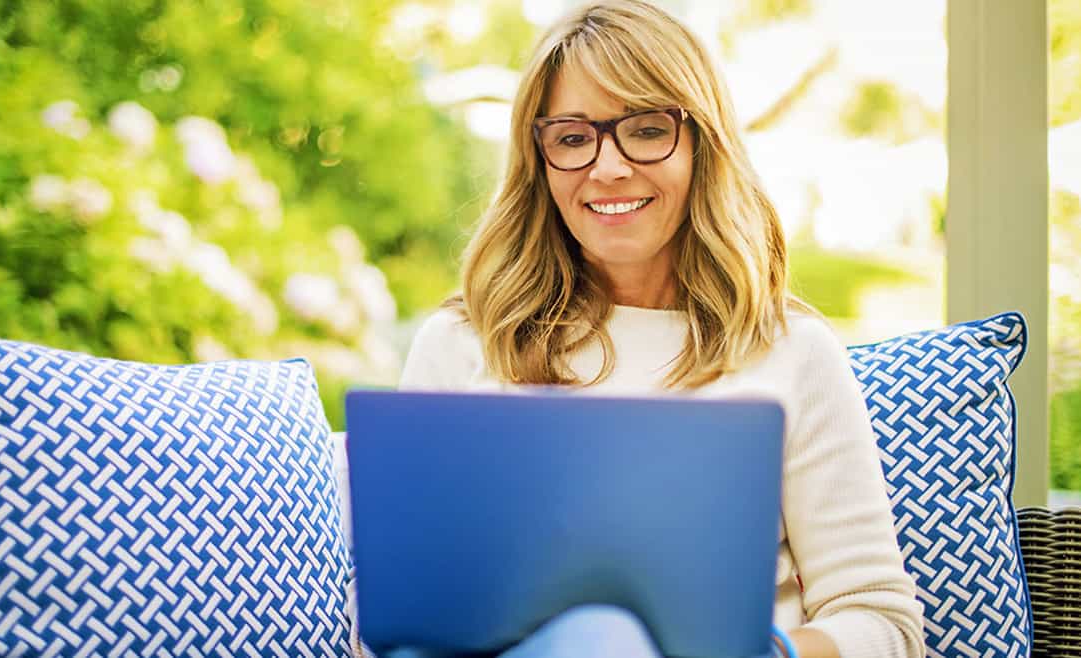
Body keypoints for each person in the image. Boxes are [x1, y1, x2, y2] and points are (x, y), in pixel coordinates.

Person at [384, 1, 926, 656]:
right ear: (540, 160)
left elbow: (884, 625)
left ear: (702, 143)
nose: (607, 167)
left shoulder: (793, 352)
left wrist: (770, 652)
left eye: (644, 130)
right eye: (573, 138)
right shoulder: (463, 343)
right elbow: (396, 619)